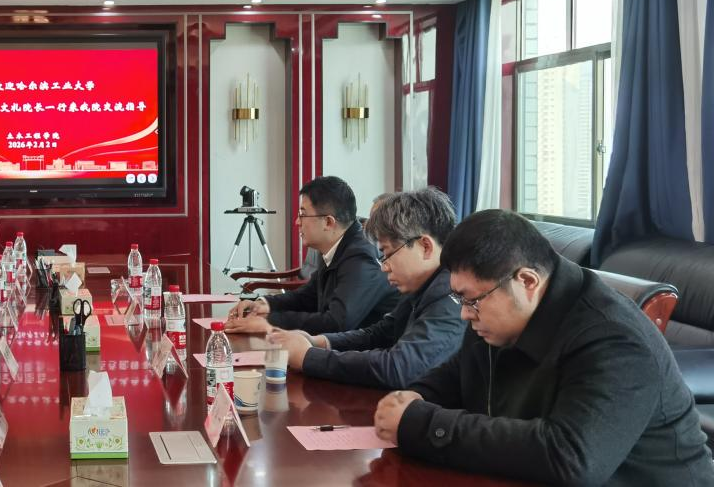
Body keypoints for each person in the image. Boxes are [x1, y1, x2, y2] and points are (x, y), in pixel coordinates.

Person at [373, 209, 714, 484]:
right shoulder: (495, 312)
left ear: (527, 281)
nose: (464, 313)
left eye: (471, 300)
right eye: (460, 298)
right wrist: (416, 396)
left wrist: (424, 424)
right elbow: (461, 371)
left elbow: (571, 456)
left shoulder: (615, 339)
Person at [268, 188, 465, 390]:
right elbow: (380, 333)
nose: (383, 267)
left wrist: (308, 357)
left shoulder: (453, 297)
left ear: (425, 247)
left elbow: (397, 368)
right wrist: (319, 342)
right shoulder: (423, 284)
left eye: (387, 253)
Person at [227, 176, 398, 335]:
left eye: (302, 214)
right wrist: (264, 304)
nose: (297, 222)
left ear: (328, 222)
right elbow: (308, 296)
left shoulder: (361, 257)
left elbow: (336, 323)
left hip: (367, 353)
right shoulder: (336, 245)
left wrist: (270, 322)